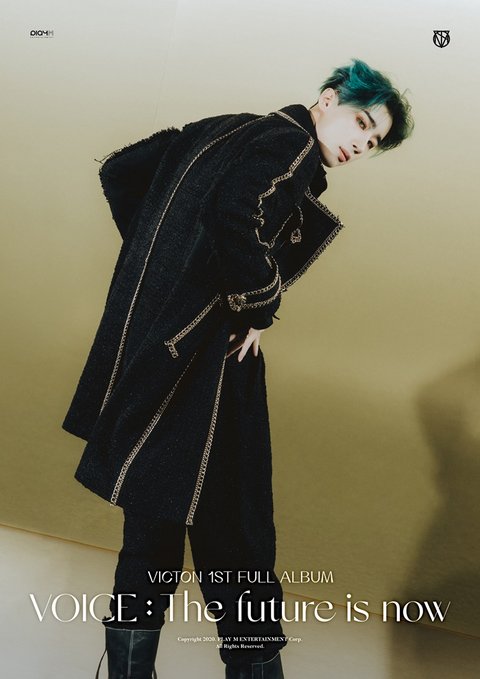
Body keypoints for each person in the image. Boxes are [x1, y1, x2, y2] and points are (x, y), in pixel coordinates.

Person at [62, 58, 413, 678]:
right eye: (362, 123)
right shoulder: (289, 143)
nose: (362, 144)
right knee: (237, 531)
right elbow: (235, 212)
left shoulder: (224, 127)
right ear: (327, 99)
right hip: (206, 362)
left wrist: (171, 262)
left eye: (374, 141)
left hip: (160, 355)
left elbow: (121, 172)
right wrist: (258, 303)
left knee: (154, 525)